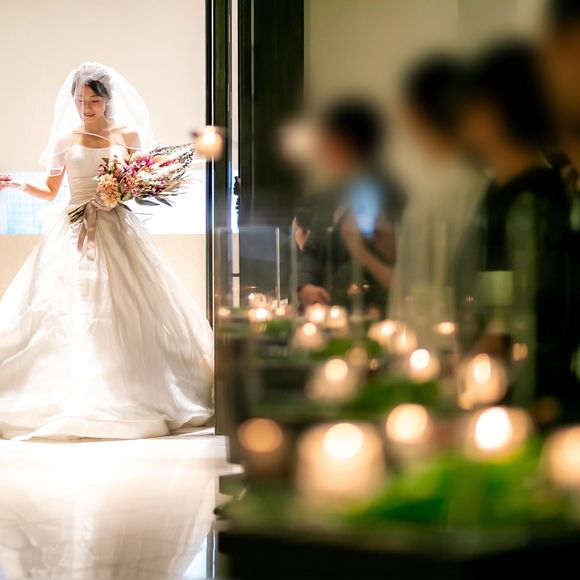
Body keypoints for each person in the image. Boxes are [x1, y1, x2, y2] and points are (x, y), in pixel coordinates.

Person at [0, 62, 213, 440]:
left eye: (93, 101)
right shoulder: (65, 139)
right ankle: (70, 392)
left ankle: (132, 389)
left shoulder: (126, 133)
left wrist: (120, 194)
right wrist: (17, 184)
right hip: (72, 229)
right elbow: (51, 191)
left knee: (127, 307)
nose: (86, 107)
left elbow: (140, 180)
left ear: (107, 99)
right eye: (80, 101)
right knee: (65, 308)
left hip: (116, 226)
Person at [454, 42, 576, 410]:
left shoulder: (534, 195)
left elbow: (536, 303)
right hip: (494, 379)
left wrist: (496, 335)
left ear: (497, 111)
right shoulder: (498, 188)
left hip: (529, 392)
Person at [390, 55, 486, 342]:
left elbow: (423, 294)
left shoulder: (435, 196)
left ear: (416, 113)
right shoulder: (478, 183)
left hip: (433, 344)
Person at [297, 99, 405, 313]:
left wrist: (330, 292)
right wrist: (305, 287)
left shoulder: (388, 193)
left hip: (370, 312)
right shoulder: (330, 194)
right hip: (329, 312)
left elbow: (383, 259)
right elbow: (312, 251)